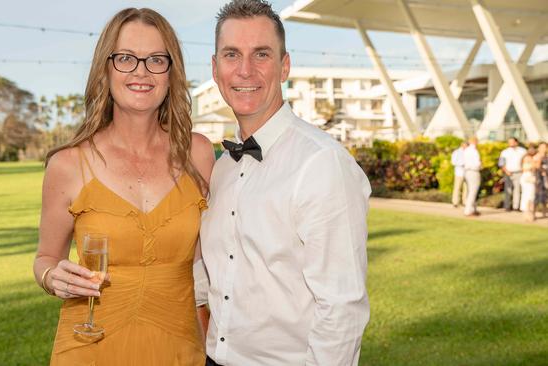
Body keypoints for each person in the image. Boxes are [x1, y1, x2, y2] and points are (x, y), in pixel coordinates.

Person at [32, 8, 214, 365]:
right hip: (89, 348)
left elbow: (206, 269)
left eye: (156, 60)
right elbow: (45, 259)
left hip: (179, 348)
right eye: (126, 58)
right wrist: (53, 277)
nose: (141, 72)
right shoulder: (68, 164)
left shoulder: (199, 153)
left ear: (171, 72)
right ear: (106, 68)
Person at [199, 1, 371, 365]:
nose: (245, 70)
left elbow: (342, 307)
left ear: (285, 66)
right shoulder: (222, 168)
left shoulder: (322, 162)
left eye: (261, 54)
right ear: (215, 69)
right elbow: (211, 269)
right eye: (232, 55)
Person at [498, 137, 527, 211]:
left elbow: (526, 161)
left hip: (519, 172)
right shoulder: (505, 152)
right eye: (509, 142)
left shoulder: (523, 151)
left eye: (512, 142)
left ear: (516, 142)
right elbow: (501, 163)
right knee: (508, 190)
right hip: (508, 173)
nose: (510, 143)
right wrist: (506, 171)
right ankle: (507, 206)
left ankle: (516, 207)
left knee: (517, 190)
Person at [463, 137, 481, 217]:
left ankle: (473, 209)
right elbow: (477, 163)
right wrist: (480, 166)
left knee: (471, 191)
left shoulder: (466, 150)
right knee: (473, 191)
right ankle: (468, 210)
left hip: (467, 172)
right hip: (473, 171)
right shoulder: (473, 151)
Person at [520, 145, 537, 221]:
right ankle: (528, 214)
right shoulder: (528, 158)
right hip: (528, 178)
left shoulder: (529, 158)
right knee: (528, 196)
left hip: (528, 177)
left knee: (529, 196)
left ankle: (529, 213)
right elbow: (527, 168)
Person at [450, 142, 468, 207]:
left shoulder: (468, 152)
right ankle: (455, 202)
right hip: (459, 172)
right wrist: (461, 164)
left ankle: (465, 202)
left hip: (466, 173)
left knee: (466, 188)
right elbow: (453, 162)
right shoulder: (456, 152)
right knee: (457, 188)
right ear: (462, 145)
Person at [533, 142, 547, 218]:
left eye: (545, 147)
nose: (543, 149)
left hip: (545, 179)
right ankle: (533, 213)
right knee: (537, 196)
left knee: (545, 197)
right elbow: (536, 167)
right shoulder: (537, 157)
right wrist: (543, 171)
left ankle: (544, 213)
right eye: (541, 147)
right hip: (538, 179)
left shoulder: (546, 156)